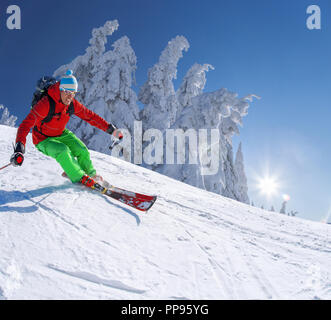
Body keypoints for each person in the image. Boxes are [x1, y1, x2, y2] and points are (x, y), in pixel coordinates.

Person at [10, 69, 123, 188]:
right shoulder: (46, 104)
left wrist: (110, 129)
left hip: (60, 133)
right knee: (62, 150)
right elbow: (25, 125)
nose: (70, 97)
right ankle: (79, 177)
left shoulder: (72, 104)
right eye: (67, 92)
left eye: (73, 93)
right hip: (42, 139)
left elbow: (90, 116)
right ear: (60, 89)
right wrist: (19, 147)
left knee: (81, 149)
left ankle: (91, 174)